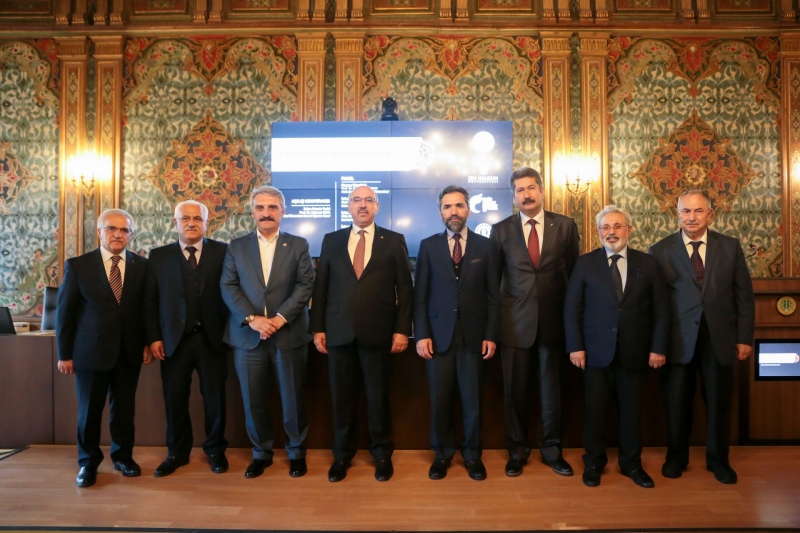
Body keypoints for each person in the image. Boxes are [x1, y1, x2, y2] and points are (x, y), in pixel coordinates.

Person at [649, 189, 755, 484]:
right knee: (676, 403)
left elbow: (744, 296)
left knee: (719, 403)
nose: (691, 217)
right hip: (677, 340)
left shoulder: (730, 247)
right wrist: (657, 344)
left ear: (711, 214)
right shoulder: (659, 250)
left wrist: (744, 338)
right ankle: (676, 458)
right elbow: (655, 304)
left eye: (698, 211)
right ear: (677, 214)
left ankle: (719, 461)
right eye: (686, 211)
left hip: (718, 338)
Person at [310, 185, 414, 483]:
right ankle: (342, 455)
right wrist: (317, 327)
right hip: (338, 333)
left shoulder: (393, 240)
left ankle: (382, 455)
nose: (363, 205)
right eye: (357, 200)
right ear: (349, 206)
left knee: (378, 398)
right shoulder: (331, 240)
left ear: (377, 206)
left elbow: (405, 289)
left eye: (369, 200)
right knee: (342, 399)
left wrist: (402, 330)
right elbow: (321, 287)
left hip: (379, 334)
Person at [564, 205, 670, 488]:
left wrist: (658, 348)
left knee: (631, 413)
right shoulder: (585, 264)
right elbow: (572, 309)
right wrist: (575, 347)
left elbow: (661, 311)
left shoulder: (648, 264)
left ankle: (631, 464)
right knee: (594, 413)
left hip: (635, 353)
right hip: (594, 353)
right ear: (598, 232)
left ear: (629, 230)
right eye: (606, 227)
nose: (611, 232)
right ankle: (593, 463)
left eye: (617, 226)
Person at [220, 186, 315, 479]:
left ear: (283, 212)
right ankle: (261, 454)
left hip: (288, 335)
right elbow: (228, 286)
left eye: (272, 207)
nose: (266, 213)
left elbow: (305, 285)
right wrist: (253, 320)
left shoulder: (298, 245)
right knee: (253, 400)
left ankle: (296, 453)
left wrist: (279, 319)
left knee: (293, 400)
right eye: (260, 208)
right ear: (252, 212)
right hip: (248, 338)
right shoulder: (237, 246)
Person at [491, 167, 580, 477]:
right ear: (513, 196)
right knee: (515, 394)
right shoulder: (500, 230)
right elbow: (494, 282)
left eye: (531, 188)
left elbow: (573, 277)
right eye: (520, 190)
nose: (526, 194)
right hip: (514, 325)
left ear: (542, 191)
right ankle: (517, 453)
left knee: (551, 394)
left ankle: (552, 451)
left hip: (554, 326)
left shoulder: (565, 226)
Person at [56, 208, 152, 488]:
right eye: (111, 228)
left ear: (130, 235)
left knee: (124, 409)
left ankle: (123, 458)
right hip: (90, 352)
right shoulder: (78, 266)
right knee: (89, 411)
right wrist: (64, 354)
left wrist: (148, 342)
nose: (118, 234)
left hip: (129, 351)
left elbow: (147, 309)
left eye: (124, 230)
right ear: (99, 232)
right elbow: (65, 313)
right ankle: (88, 463)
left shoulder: (142, 266)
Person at [414, 185, 500, 481]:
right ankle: (442, 455)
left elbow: (493, 295)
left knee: (472, 401)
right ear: (440, 212)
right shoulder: (428, 246)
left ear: (469, 210)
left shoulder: (486, 246)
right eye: (447, 206)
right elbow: (420, 295)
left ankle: (473, 456)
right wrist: (421, 334)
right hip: (437, 337)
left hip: (475, 337)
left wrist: (491, 334)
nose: (454, 211)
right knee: (440, 401)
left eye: (459, 206)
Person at [145, 200, 230, 477]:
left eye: (197, 218)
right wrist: (153, 337)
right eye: (185, 218)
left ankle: (215, 450)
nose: (191, 223)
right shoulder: (158, 256)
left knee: (215, 399)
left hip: (213, 339)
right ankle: (177, 453)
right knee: (175, 399)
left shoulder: (224, 252)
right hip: (173, 341)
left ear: (207, 223)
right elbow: (150, 301)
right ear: (175, 222)